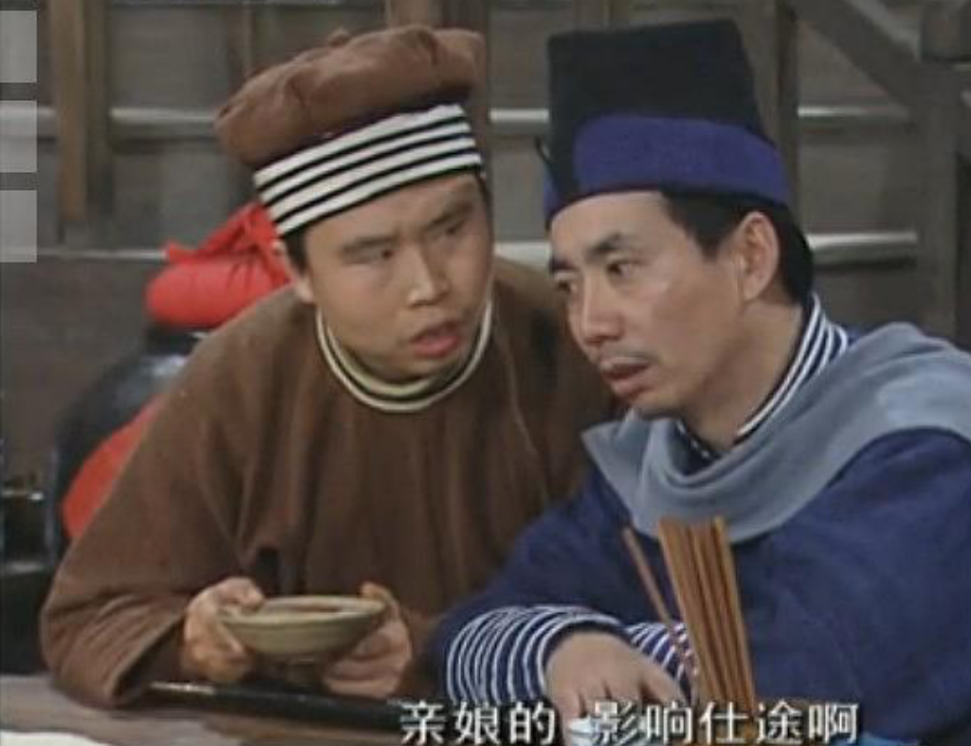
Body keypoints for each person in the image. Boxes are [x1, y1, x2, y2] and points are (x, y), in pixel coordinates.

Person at [425, 20, 971, 746]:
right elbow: (469, 635)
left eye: (622, 270)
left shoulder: (926, 447)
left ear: (751, 257)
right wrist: (565, 648)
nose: (591, 322)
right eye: (569, 286)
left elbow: (788, 690)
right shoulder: (650, 469)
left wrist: (611, 656)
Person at [40, 24, 611, 707]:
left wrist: (435, 650)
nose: (429, 285)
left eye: (452, 229)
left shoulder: (571, 341)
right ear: (298, 272)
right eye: (374, 254)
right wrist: (192, 641)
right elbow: (86, 617)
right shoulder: (243, 376)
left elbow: (661, 611)